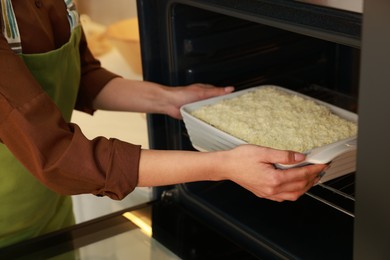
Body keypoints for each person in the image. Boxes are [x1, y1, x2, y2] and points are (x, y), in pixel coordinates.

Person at [0, 0, 327, 248]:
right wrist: (223, 165)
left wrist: (168, 99)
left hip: (50, 215)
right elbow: (60, 158)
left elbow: (82, 77)